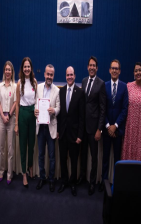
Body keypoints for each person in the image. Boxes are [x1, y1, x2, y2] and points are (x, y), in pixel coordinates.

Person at [77, 56, 106, 196]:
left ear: (97, 68)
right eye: (90, 65)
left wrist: (99, 129)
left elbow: (102, 109)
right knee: (83, 155)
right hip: (83, 127)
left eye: (94, 65)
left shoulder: (101, 84)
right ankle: (82, 177)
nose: (92, 67)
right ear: (87, 67)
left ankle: (92, 182)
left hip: (94, 129)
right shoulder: (83, 80)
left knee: (94, 157)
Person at [98, 59, 128, 192]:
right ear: (109, 70)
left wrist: (115, 125)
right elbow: (102, 108)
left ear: (119, 71)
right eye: (112, 68)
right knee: (105, 159)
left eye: (117, 68)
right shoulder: (104, 86)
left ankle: (116, 184)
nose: (114, 70)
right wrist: (107, 126)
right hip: (106, 129)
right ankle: (104, 183)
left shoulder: (124, 87)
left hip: (118, 130)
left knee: (117, 159)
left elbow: (124, 109)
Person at [57, 66, 85, 196]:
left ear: (75, 76)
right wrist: (57, 131)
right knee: (63, 159)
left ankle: (72, 183)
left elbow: (81, 117)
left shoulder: (80, 92)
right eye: (67, 75)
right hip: (62, 133)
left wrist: (80, 135)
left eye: (71, 75)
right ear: (65, 76)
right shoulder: (61, 91)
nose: (69, 77)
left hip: (74, 135)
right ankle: (64, 182)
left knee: (74, 160)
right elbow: (60, 114)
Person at [34, 64, 60, 192]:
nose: (49, 76)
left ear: (53, 75)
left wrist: (54, 110)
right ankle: (42, 178)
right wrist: (35, 111)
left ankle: (51, 180)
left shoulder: (57, 90)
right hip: (40, 126)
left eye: (51, 74)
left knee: (51, 156)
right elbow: (35, 104)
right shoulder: (38, 88)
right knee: (40, 155)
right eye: (47, 74)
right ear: (44, 74)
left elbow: (59, 108)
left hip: (51, 127)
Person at [14, 57, 37, 188]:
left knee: (31, 144)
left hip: (32, 114)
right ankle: (24, 173)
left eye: (28, 66)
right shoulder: (19, 83)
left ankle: (30, 166)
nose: (27, 69)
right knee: (23, 145)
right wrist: (16, 123)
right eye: (25, 67)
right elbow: (17, 104)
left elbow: (37, 100)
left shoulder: (34, 82)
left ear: (31, 68)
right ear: (22, 69)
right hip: (22, 114)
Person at [0, 61, 16, 185]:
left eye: (10, 70)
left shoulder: (15, 86)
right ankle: (1, 172)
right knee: (1, 148)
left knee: (10, 149)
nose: (8, 71)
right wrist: (3, 116)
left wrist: (8, 115)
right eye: (6, 69)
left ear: (12, 72)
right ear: (4, 71)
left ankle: (10, 174)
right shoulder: (0, 86)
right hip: (1, 119)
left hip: (11, 118)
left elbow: (15, 102)